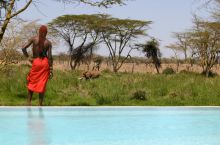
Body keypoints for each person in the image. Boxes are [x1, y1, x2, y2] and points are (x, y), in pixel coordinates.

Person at [22, 25, 53, 106]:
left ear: (39, 31)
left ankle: (28, 103)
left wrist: (28, 58)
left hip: (36, 62)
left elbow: (23, 48)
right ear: (46, 33)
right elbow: (49, 57)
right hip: (45, 63)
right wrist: (51, 69)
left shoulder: (34, 39)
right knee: (42, 83)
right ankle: (40, 104)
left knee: (32, 81)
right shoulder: (48, 43)